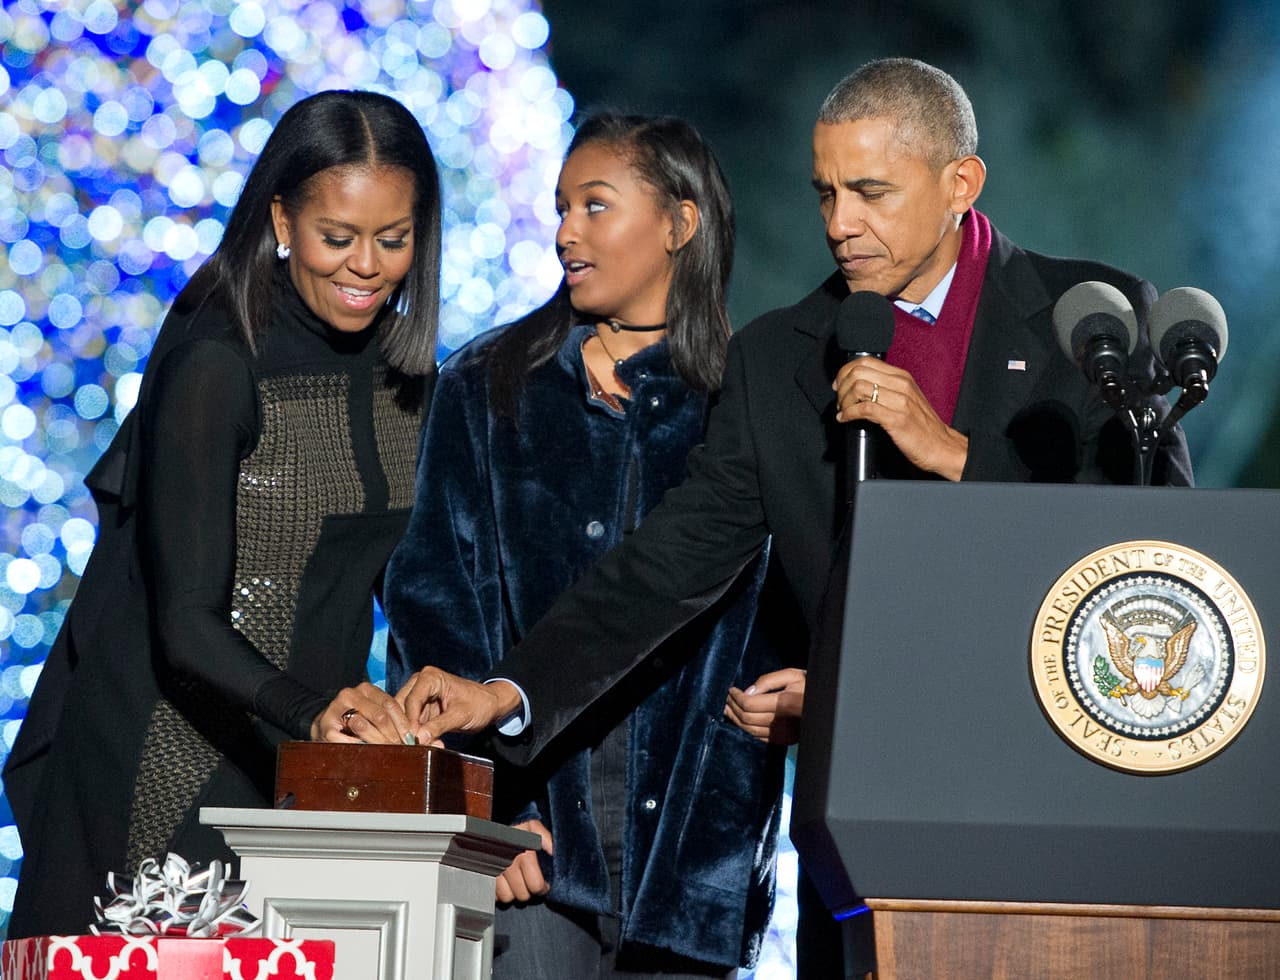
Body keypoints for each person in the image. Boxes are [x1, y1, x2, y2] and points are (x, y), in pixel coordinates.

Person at [391, 58, 1195, 976]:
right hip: (861, 826)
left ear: (960, 183)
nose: (841, 224)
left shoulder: (1091, 322)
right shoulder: (778, 359)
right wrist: (509, 692)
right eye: (825, 193)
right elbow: (673, 561)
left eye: (871, 192)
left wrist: (958, 454)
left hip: (1066, 802)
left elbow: (1165, 553)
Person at [2, 90, 442, 937]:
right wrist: (309, 711)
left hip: (310, 774)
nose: (366, 267)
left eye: (394, 239)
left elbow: (400, 584)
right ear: (282, 218)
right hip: (167, 756)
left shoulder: (410, 377)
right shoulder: (218, 357)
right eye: (336, 237)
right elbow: (186, 624)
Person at [381, 113, 785, 978]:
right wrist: (480, 813)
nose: (565, 231)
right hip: (533, 857)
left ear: (681, 222)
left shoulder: (746, 404)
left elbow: (792, 609)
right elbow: (429, 608)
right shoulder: (489, 386)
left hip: (690, 875)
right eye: (562, 207)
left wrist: (807, 692)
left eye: (596, 206)